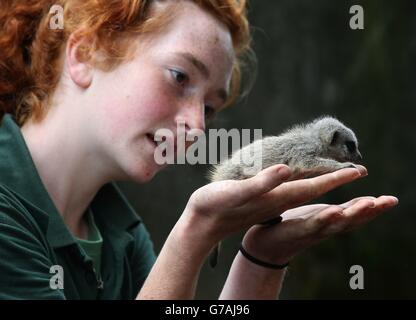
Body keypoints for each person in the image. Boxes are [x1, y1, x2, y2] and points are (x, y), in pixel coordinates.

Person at [0, 0, 398, 300]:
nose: (197, 126)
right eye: (179, 76)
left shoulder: (121, 232)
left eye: (210, 106)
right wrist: (194, 236)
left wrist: (263, 257)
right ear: (84, 55)